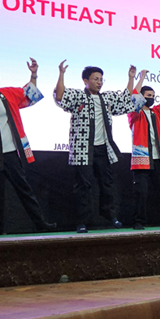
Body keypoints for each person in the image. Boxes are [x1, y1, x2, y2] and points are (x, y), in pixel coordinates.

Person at [55, 62, 145, 232]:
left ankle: (110, 216)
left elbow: (126, 99)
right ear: (85, 81)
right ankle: (82, 221)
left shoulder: (107, 98)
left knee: (107, 183)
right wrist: (61, 73)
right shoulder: (78, 96)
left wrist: (131, 78)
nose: (99, 82)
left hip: (103, 147)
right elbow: (60, 96)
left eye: (101, 79)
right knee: (83, 186)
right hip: (83, 148)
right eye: (95, 79)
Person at [0, 58, 56, 238]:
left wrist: (34, 74)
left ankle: (40, 223)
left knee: (23, 188)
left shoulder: (7, 93)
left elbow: (30, 94)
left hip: (10, 151)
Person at [127, 70, 160, 229]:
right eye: (148, 95)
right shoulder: (134, 113)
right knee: (141, 192)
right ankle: (138, 221)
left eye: (153, 96)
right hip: (142, 157)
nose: (151, 98)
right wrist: (140, 77)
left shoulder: (157, 112)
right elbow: (132, 97)